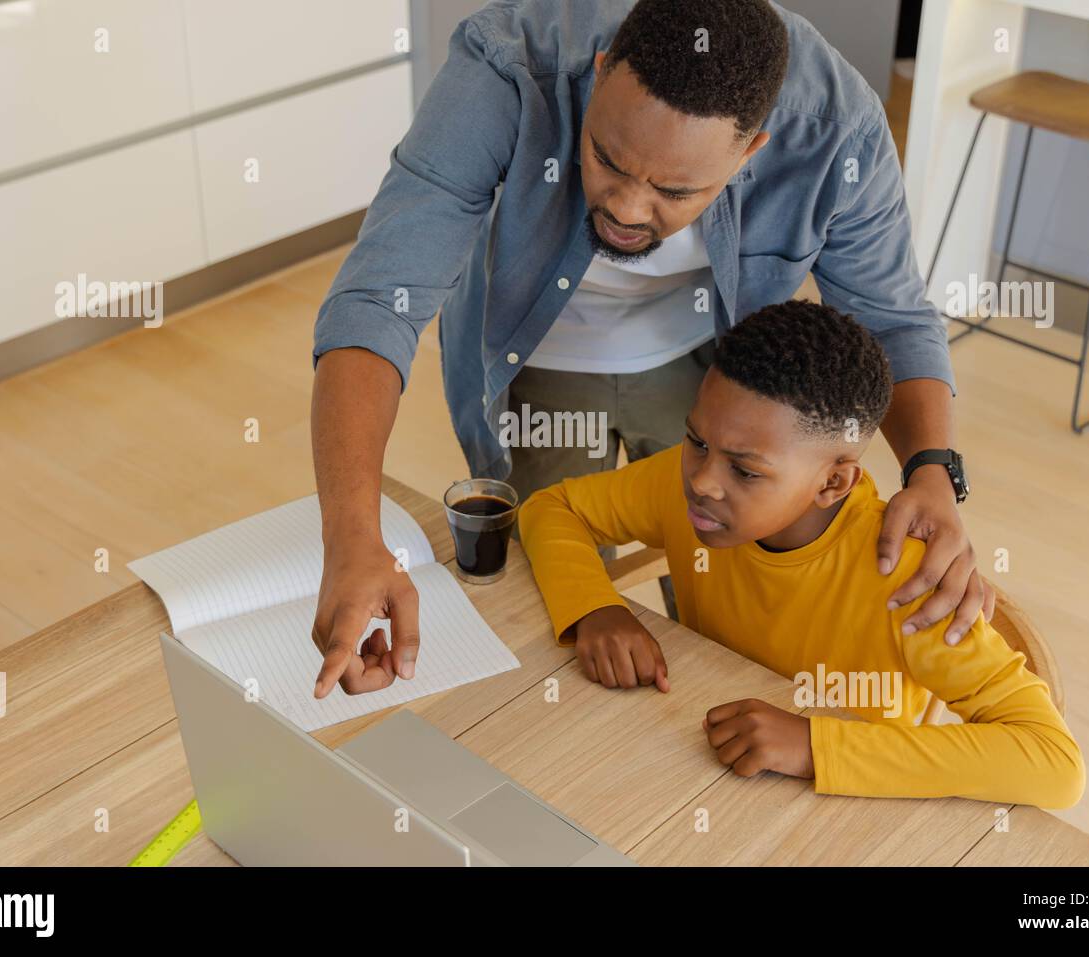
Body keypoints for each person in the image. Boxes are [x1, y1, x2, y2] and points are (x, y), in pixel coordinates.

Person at [309, 0, 989, 698]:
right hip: (542, 354)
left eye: (674, 189)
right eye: (607, 157)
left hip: (711, 367)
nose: (629, 209)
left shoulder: (837, 128)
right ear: (601, 73)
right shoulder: (508, 65)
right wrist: (353, 537)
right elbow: (377, 300)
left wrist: (933, 471)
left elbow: (892, 317)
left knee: (723, 589)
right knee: (554, 609)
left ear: (753, 148)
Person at [517, 300, 1084, 808]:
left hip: (850, 810)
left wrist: (815, 746)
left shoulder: (909, 582)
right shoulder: (684, 482)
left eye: (744, 470)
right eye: (696, 441)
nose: (702, 481)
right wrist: (595, 606)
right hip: (700, 763)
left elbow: (1055, 764)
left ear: (833, 483)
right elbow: (551, 509)